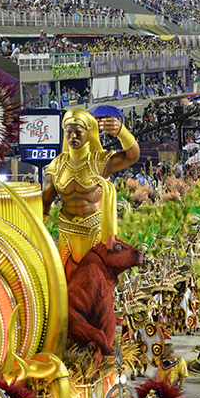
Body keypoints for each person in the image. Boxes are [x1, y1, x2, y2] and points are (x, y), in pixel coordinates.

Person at [42, 108, 140, 276]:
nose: (72, 137)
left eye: (78, 133)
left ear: (89, 133)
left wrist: (122, 132)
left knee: (95, 283)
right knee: (66, 286)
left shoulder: (99, 161)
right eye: (69, 132)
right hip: (66, 235)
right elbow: (45, 202)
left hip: (94, 233)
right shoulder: (57, 165)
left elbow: (132, 156)